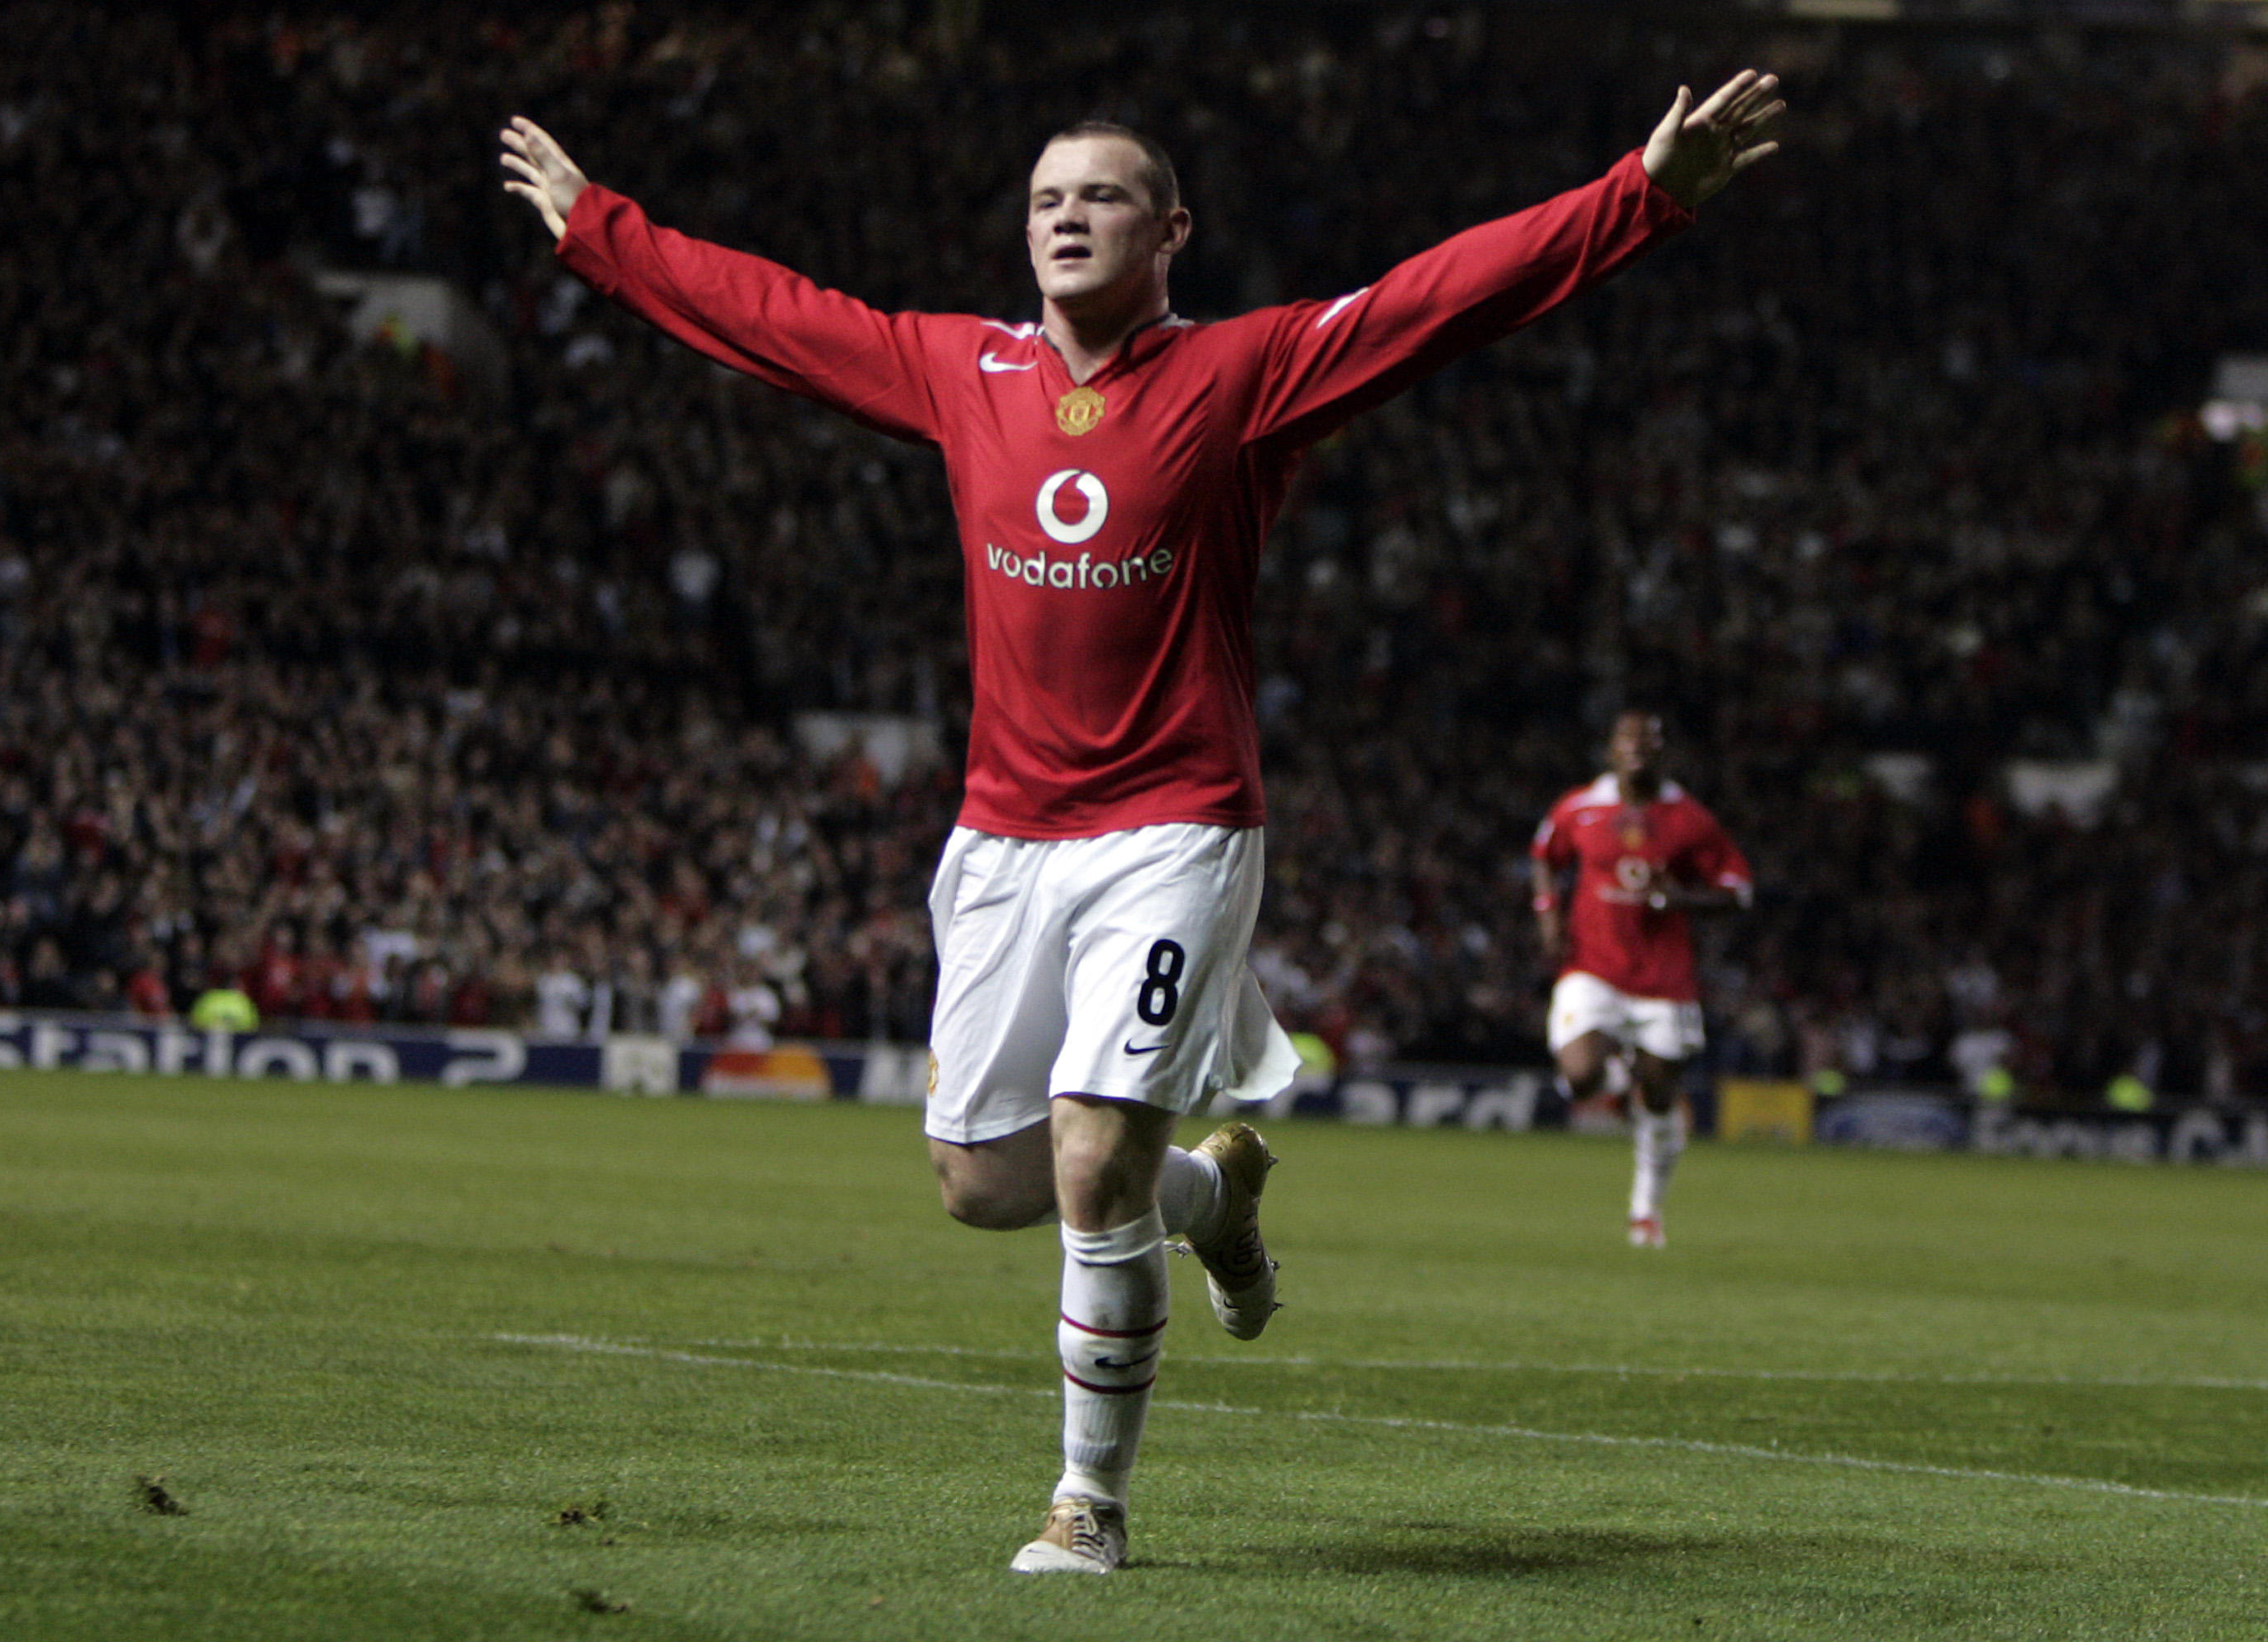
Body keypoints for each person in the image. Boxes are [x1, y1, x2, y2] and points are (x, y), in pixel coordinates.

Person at [503, 71, 1783, 1573]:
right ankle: (1213, 1199)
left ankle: (1087, 1506)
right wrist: (601, 229)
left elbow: (1448, 298)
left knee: (1091, 1153)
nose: (1065, 218)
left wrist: (1641, 191)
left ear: (1171, 230)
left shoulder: (1244, 374)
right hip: (1004, 836)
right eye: (1046, 199)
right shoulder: (957, 370)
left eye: (1099, 196)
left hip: (1173, 829)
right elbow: (780, 317)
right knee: (985, 1181)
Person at [1531, 711, 1754, 1250]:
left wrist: (1683, 899)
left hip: (1664, 979)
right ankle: (1612, 1087)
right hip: (1593, 966)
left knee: (1658, 1097)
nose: (1639, 751)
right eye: (1629, 742)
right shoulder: (1580, 807)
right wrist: (1548, 915)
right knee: (1580, 1075)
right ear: (1611, 750)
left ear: (1662, 753)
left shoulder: (1690, 819)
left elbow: (1738, 890)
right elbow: (1544, 857)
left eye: (1649, 743)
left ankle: (1646, 1208)